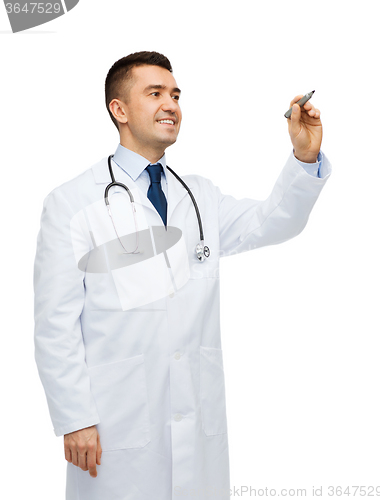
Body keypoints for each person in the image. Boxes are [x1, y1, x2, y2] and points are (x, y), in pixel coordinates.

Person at [34, 51, 331, 500]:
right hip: (118, 428)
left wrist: (304, 157)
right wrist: (75, 418)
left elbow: (272, 221)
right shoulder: (72, 203)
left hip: (196, 418)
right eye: (154, 93)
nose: (170, 103)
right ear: (119, 110)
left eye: (175, 94)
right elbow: (55, 325)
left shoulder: (199, 198)